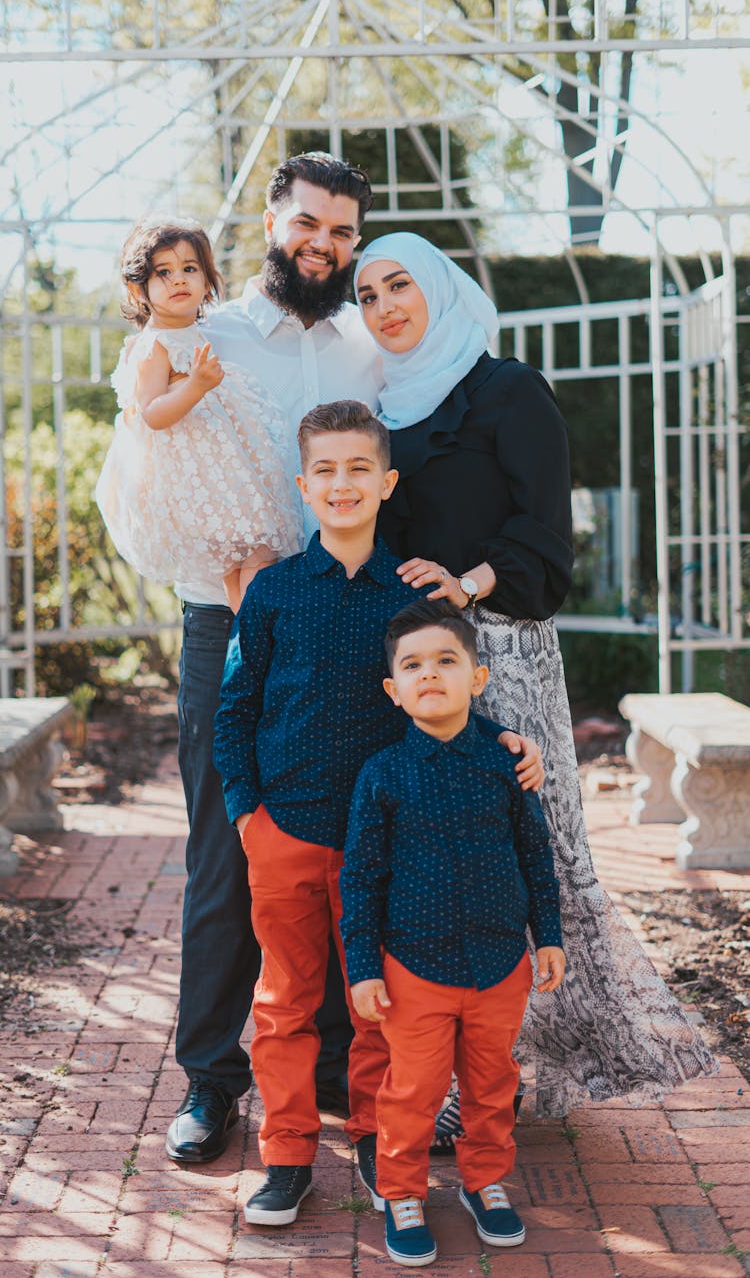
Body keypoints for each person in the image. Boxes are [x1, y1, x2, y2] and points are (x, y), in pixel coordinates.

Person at [353, 232, 718, 1132]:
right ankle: (446, 1078)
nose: (385, 305)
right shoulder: (378, 406)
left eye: (400, 283)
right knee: (427, 858)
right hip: (412, 666)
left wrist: (467, 583)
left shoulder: (507, 390)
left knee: (527, 846)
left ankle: (540, 1063)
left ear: (439, 288)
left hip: (505, 647)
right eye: (366, 295)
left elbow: (549, 536)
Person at [212, 401, 544, 1227]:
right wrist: (248, 816)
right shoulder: (274, 593)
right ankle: (286, 1155)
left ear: (387, 481)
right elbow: (232, 711)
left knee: (377, 1005)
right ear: (303, 485)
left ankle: (370, 1134)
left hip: (392, 846)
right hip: (286, 829)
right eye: (324, 469)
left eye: (359, 467)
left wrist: (508, 741)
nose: (342, 483)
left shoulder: (412, 595)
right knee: (286, 1003)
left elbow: (446, 693)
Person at [160, 153, 384, 1165]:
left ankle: (335, 1065)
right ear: (270, 219)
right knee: (228, 844)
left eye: (341, 231)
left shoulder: (362, 346)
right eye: (308, 223)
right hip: (230, 624)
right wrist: (223, 562)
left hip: (345, 625)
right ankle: (213, 1078)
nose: (323, 244)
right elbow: (154, 470)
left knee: (343, 848)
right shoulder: (208, 334)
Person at [341, 599, 566, 1267]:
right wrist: (363, 967)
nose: (429, 673)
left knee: (493, 1082)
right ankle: (404, 1191)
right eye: (412, 664)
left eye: (447, 659)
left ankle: (486, 1181)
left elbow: (535, 854)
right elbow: (361, 879)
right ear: (394, 688)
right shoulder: (382, 774)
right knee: (412, 1088)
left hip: (501, 962)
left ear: (479, 676)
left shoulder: (507, 765)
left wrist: (547, 934)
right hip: (414, 966)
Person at [96, 217, 302, 613]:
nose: (179, 281)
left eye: (190, 269)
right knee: (256, 550)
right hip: (200, 485)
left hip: (223, 477)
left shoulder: (192, 333)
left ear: (208, 281)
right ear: (139, 289)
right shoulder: (154, 345)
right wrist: (196, 387)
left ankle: (249, 635)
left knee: (247, 560)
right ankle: (255, 632)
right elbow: (152, 413)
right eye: (164, 273)